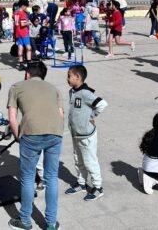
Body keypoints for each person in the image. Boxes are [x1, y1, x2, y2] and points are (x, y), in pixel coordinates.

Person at [7, 61, 64, 230]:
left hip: (30, 133)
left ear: (27, 74)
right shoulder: (54, 89)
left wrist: (18, 137)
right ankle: (51, 223)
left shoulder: (16, 87)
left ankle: (25, 220)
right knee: (52, 177)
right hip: (55, 133)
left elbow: (12, 118)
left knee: (28, 178)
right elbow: (61, 115)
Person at [65, 65, 108, 201]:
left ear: (77, 77)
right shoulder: (72, 92)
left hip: (86, 135)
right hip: (76, 134)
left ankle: (97, 187)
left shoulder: (85, 93)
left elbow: (102, 104)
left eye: (69, 76)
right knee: (78, 160)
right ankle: (81, 183)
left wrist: (91, 116)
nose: (67, 79)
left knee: (90, 161)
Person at [13, 0, 32, 69]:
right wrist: (29, 22)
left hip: (18, 33)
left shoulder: (15, 13)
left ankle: (21, 64)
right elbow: (22, 24)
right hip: (24, 33)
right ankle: (29, 64)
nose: (26, 8)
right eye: (26, 6)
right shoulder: (23, 13)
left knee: (20, 48)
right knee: (28, 48)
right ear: (23, 6)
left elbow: (15, 23)